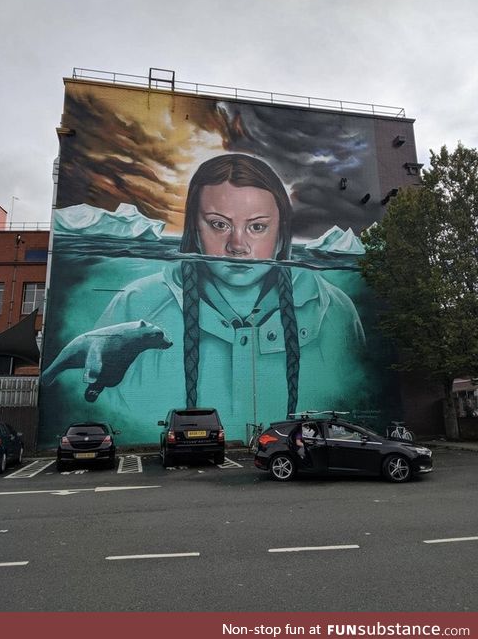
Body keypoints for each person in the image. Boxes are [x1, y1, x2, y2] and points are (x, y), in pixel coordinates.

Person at [42, 154, 365, 443]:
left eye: (257, 227)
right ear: (194, 229)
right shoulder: (135, 303)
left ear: (281, 233)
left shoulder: (334, 310)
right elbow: (91, 406)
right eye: (219, 224)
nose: (237, 245)